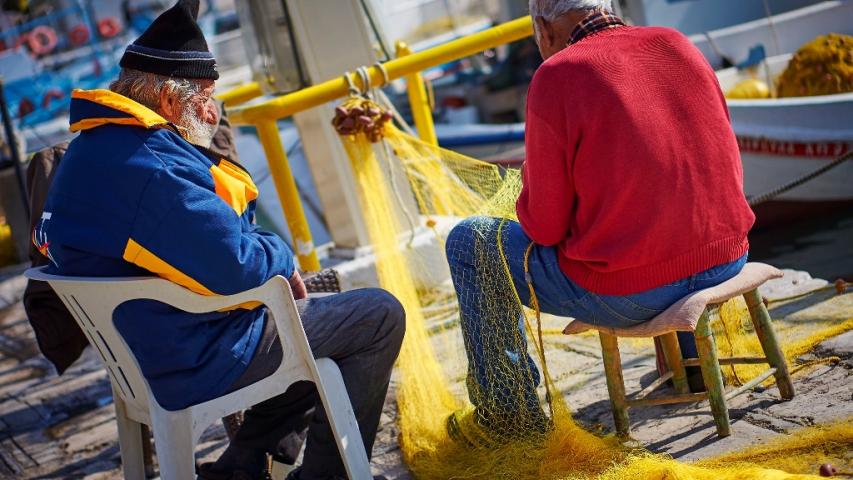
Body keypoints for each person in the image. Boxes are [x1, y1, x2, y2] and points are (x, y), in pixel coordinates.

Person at [32, 1, 404, 479]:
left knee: (323, 301)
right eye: (206, 94)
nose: (213, 110)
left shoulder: (92, 150)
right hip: (194, 353)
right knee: (378, 315)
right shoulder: (149, 167)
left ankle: (243, 461)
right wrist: (283, 255)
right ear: (168, 99)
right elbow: (235, 265)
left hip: (146, 346)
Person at [445, 0, 754, 439]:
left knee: (468, 242)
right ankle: (697, 367)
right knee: (666, 222)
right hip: (728, 257)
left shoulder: (557, 76)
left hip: (635, 294)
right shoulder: (675, 42)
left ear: (542, 28)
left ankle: (508, 417)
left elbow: (544, 227)